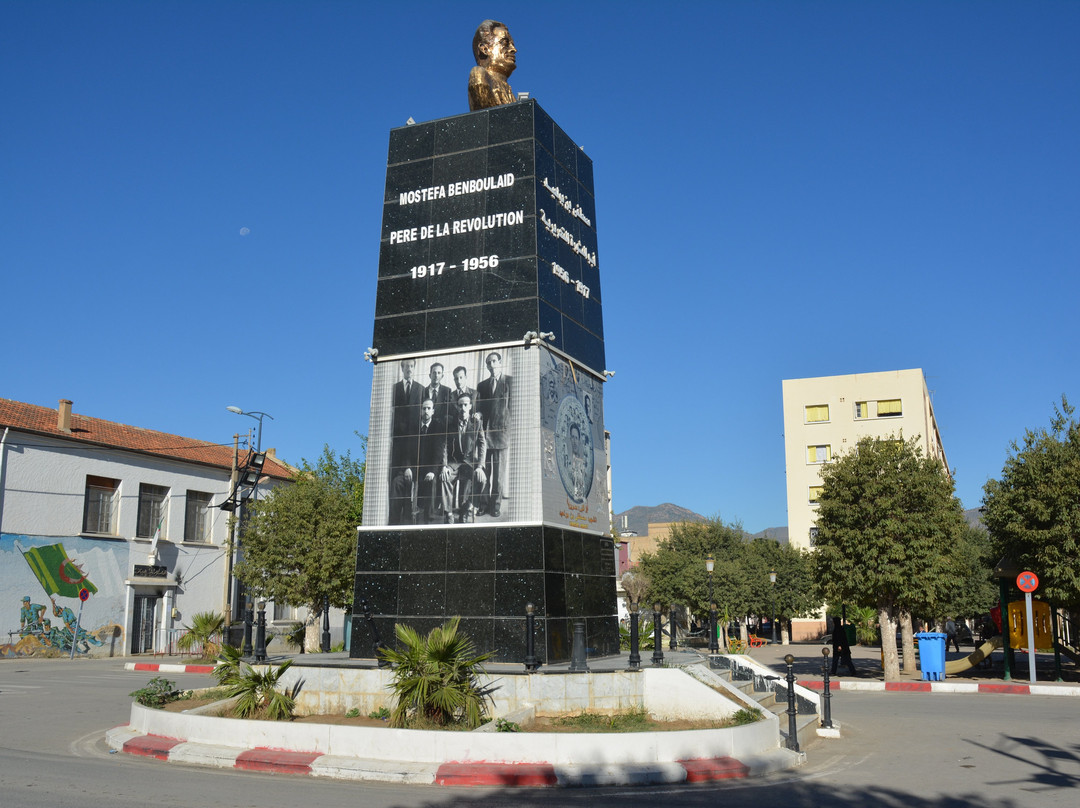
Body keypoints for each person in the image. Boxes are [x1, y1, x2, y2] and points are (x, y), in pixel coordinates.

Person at [441, 392, 487, 523]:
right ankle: (449, 513)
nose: (463, 408)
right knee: (444, 478)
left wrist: (479, 467)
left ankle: (467, 507)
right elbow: (444, 445)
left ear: (470, 406)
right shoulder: (450, 422)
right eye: (460, 405)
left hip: (469, 463)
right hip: (454, 462)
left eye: (465, 405)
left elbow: (483, 445)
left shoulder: (476, 423)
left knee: (481, 479)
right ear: (457, 407)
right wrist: (444, 466)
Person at [475, 351, 511, 516]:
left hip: (501, 435)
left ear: (500, 362)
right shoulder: (482, 386)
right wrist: (478, 415)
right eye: (488, 363)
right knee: (484, 473)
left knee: (498, 476)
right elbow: (479, 409)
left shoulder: (510, 381)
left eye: (494, 361)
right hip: (484, 437)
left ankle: (495, 506)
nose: (491, 365)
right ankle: (483, 505)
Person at [468, 20, 517, 111]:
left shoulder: (508, 90)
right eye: (505, 43)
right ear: (485, 49)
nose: (513, 49)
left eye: (512, 45)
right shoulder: (479, 75)